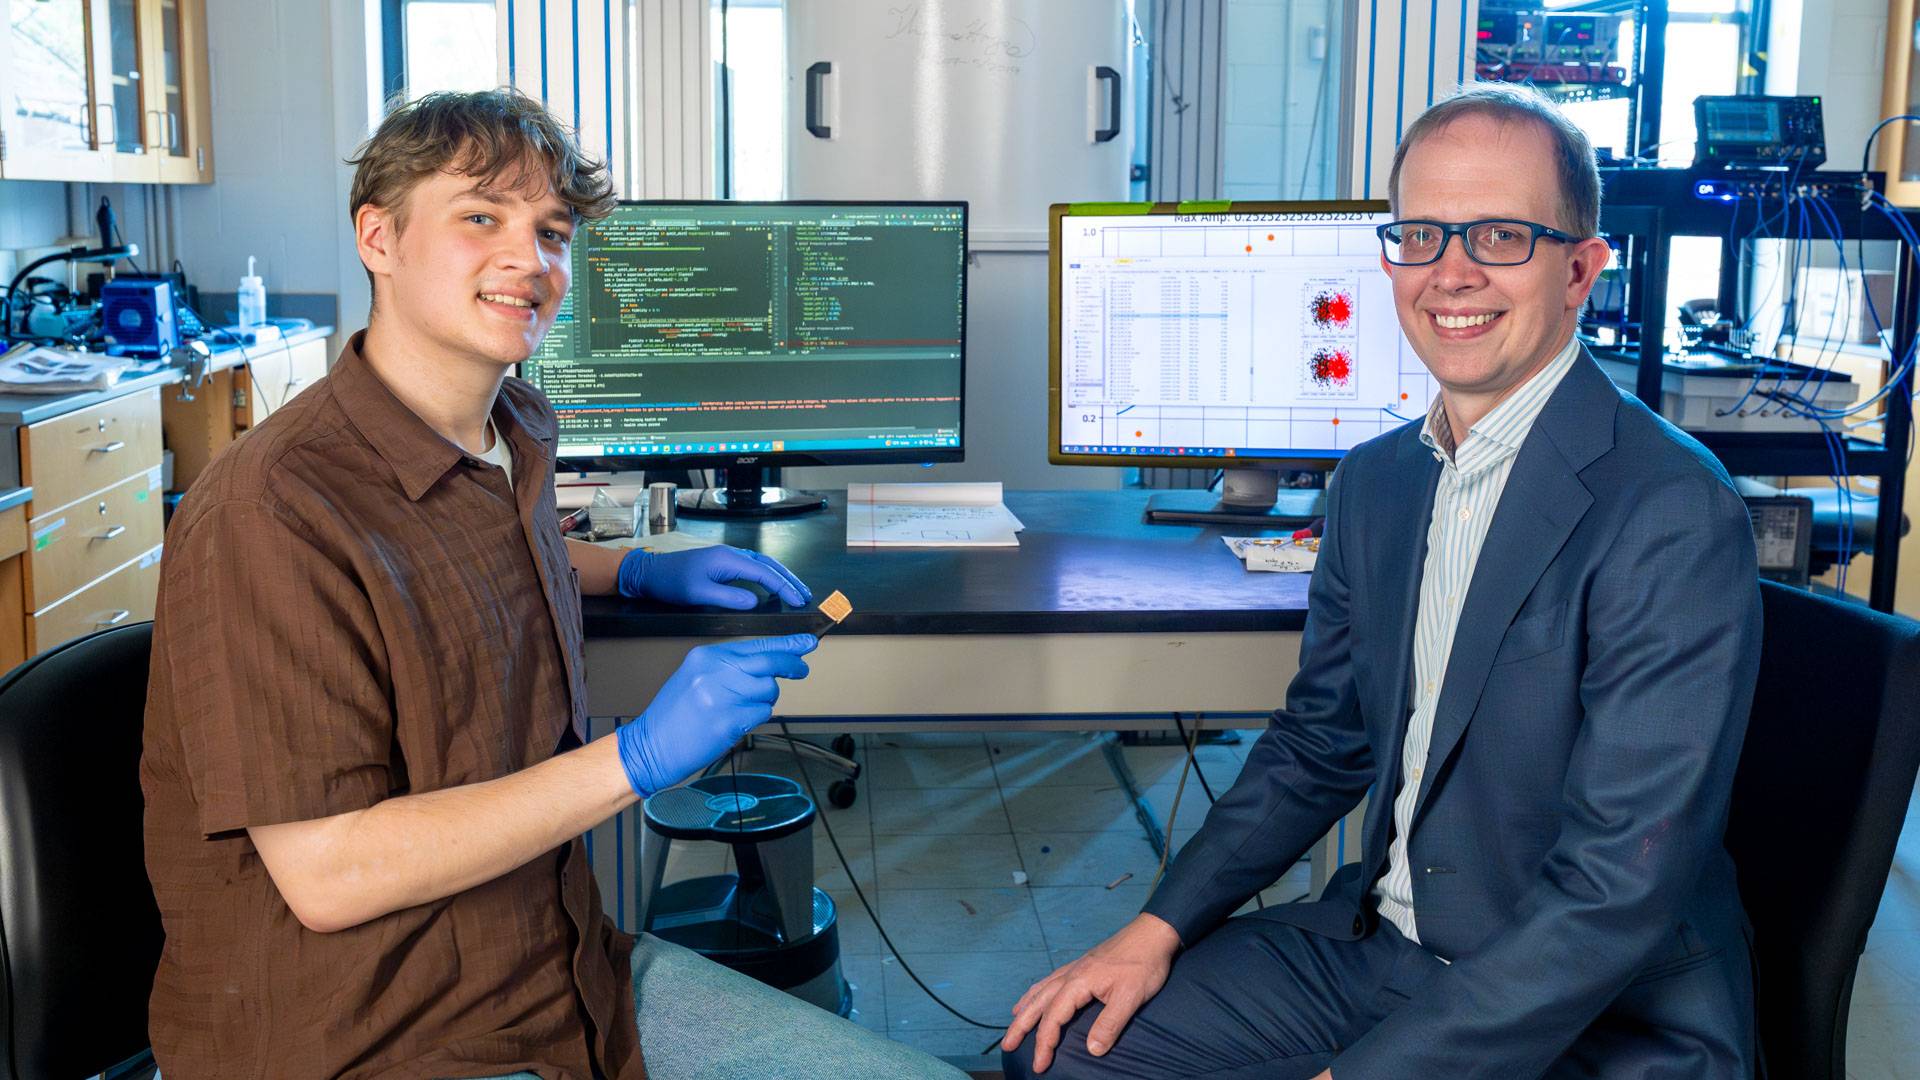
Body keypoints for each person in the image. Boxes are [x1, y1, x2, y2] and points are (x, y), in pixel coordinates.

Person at [141, 89, 962, 1080]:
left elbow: (451, 554)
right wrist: (636, 759)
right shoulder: (271, 511)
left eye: (553, 232)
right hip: (376, 1035)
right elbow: (328, 876)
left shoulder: (513, 427)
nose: (529, 260)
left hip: (562, 972)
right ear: (378, 237)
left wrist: (637, 569)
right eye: (481, 217)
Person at [1002, 83, 1762, 1079]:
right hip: (1388, 954)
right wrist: (1156, 925)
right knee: (1059, 1054)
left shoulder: (1670, 509)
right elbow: (1320, 742)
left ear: (1580, 269)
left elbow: (1615, 889)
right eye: (1421, 235)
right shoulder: (1378, 480)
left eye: (1500, 236)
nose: (1451, 273)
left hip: (1592, 1013)